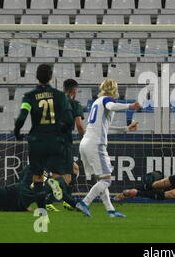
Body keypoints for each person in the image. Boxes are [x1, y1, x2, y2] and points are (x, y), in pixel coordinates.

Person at [76, 79, 141, 218]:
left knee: (102, 180)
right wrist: (130, 106)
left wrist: (125, 129)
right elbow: (112, 106)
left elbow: (104, 128)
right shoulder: (106, 100)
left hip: (86, 143)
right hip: (95, 144)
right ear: (114, 90)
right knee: (106, 180)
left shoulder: (96, 102)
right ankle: (84, 203)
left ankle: (110, 210)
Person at [13, 64, 74, 211]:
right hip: (55, 142)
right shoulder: (60, 96)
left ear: (36, 77)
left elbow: (22, 117)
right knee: (60, 175)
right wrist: (61, 131)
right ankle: (71, 202)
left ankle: (42, 210)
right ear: (51, 76)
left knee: (38, 178)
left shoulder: (29, 96)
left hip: (37, 141)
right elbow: (69, 120)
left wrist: (17, 132)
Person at [46, 79, 85, 212]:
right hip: (64, 143)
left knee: (70, 171)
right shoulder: (74, 104)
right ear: (74, 91)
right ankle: (48, 199)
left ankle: (63, 202)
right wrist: (85, 139)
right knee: (67, 176)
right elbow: (79, 126)